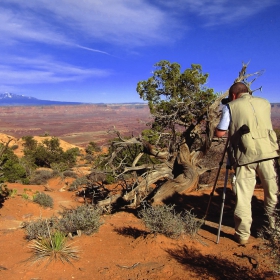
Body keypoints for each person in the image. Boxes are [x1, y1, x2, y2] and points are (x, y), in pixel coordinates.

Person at [215, 82, 279, 245]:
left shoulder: (230, 106)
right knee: (273, 193)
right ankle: (275, 231)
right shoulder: (265, 103)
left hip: (245, 155)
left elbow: (221, 132)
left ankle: (243, 235)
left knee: (243, 196)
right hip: (269, 153)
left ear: (234, 95)